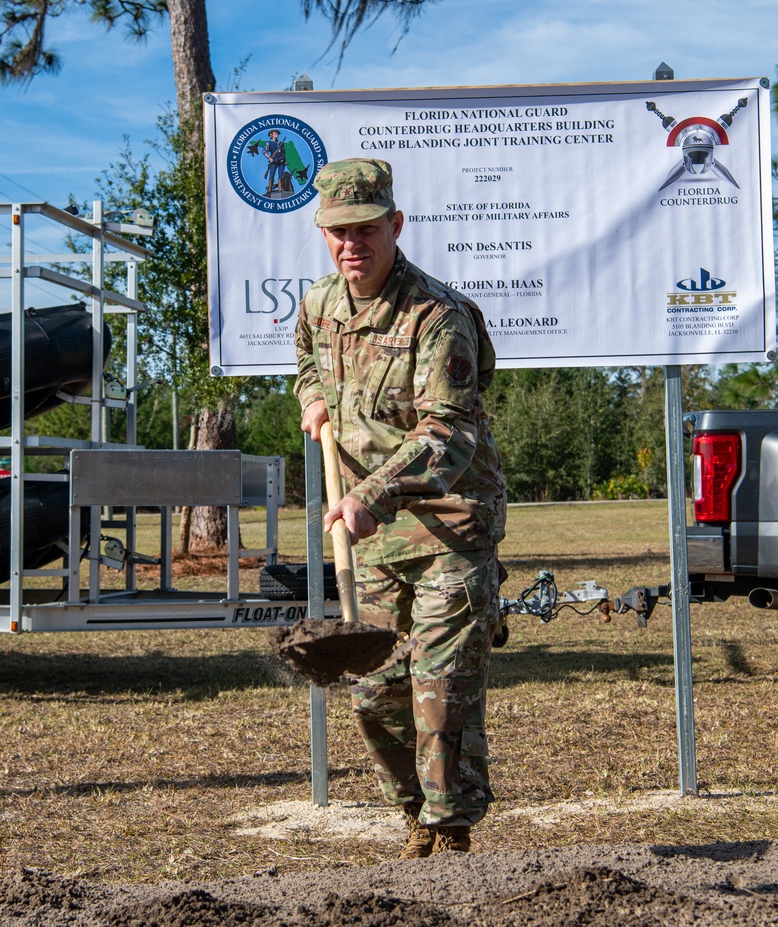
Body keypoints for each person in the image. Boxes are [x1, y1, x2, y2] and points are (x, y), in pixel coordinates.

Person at [294, 158, 507, 858]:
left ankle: (452, 832)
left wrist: (368, 495)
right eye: (337, 231)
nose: (351, 243)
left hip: (448, 520)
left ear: (395, 224)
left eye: (365, 229)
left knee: (440, 682)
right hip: (373, 536)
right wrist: (311, 397)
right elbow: (305, 358)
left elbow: (445, 434)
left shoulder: (438, 316)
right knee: (375, 688)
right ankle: (415, 815)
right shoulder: (319, 304)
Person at [264, 129, 287, 194]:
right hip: (274, 160)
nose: (277, 135)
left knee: (281, 174)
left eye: (277, 134)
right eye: (275, 133)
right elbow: (265, 152)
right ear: (271, 135)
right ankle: (270, 188)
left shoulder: (280, 143)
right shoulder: (268, 143)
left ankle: (280, 188)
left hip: (281, 160)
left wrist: (285, 161)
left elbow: (283, 152)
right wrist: (269, 158)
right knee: (272, 174)